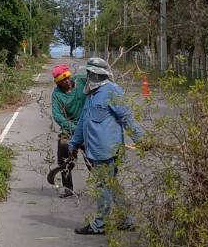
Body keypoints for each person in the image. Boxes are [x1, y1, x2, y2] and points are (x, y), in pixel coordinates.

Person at [68, 56, 145, 236]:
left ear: (97, 74)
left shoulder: (112, 91)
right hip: (94, 149)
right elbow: (83, 121)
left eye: (89, 73)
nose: (87, 76)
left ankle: (99, 224)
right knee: (112, 184)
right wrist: (73, 143)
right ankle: (127, 220)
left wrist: (140, 138)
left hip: (107, 150)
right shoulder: (90, 94)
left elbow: (126, 117)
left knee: (103, 186)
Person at [47, 64, 86, 198]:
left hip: (85, 127)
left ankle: (103, 186)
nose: (67, 81)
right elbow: (57, 115)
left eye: (68, 78)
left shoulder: (81, 81)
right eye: (63, 80)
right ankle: (68, 188)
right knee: (64, 159)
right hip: (69, 130)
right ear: (58, 83)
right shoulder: (56, 95)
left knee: (93, 160)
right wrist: (72, 128)